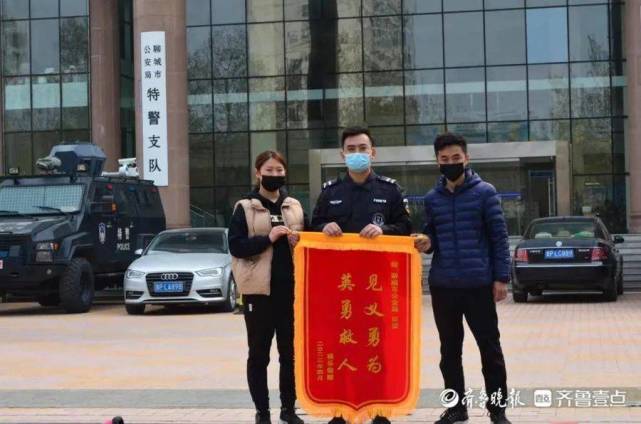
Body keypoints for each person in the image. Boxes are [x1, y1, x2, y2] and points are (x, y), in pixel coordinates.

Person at [311, 126, 412, 424]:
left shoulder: (390, 190)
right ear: (342, 154)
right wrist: (324, 227)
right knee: (342, 346)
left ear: (373, 152)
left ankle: (380, 410)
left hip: (376, 285)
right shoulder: (331, 192)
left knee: (375, 346)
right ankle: (341, 411)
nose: (357, 154)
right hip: (339, 287)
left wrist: (384, 230)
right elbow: (313, 226)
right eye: (351, 149)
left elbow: (406, 227)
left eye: (362, 148)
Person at [415, 133, 512, 424]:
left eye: (456, 158)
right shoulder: (432, 199)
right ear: (437, 162)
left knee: (490, 349)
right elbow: (432, 236)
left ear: (466, 158)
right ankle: (456, 408)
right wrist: (426, 242)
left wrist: (501, 278)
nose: (451, 163)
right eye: (444, 159)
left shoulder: (485, 192)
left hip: (478, 284)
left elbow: (499, 237)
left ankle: (497, 410)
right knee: (449, 352)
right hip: (444, 286)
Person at [228, 151, 306, 424]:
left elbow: (310, 240)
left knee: (290, 355)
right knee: (259, 355)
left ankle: (289, 409)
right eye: (269, 170)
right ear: (258, 173)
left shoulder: (294, 206)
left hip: (291, 292)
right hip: (258, 293)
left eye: (279, 170)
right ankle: (262, 412)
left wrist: (300, 240)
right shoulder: (245, 207)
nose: (274, 175)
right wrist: (268, 238)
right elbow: (236, 246)